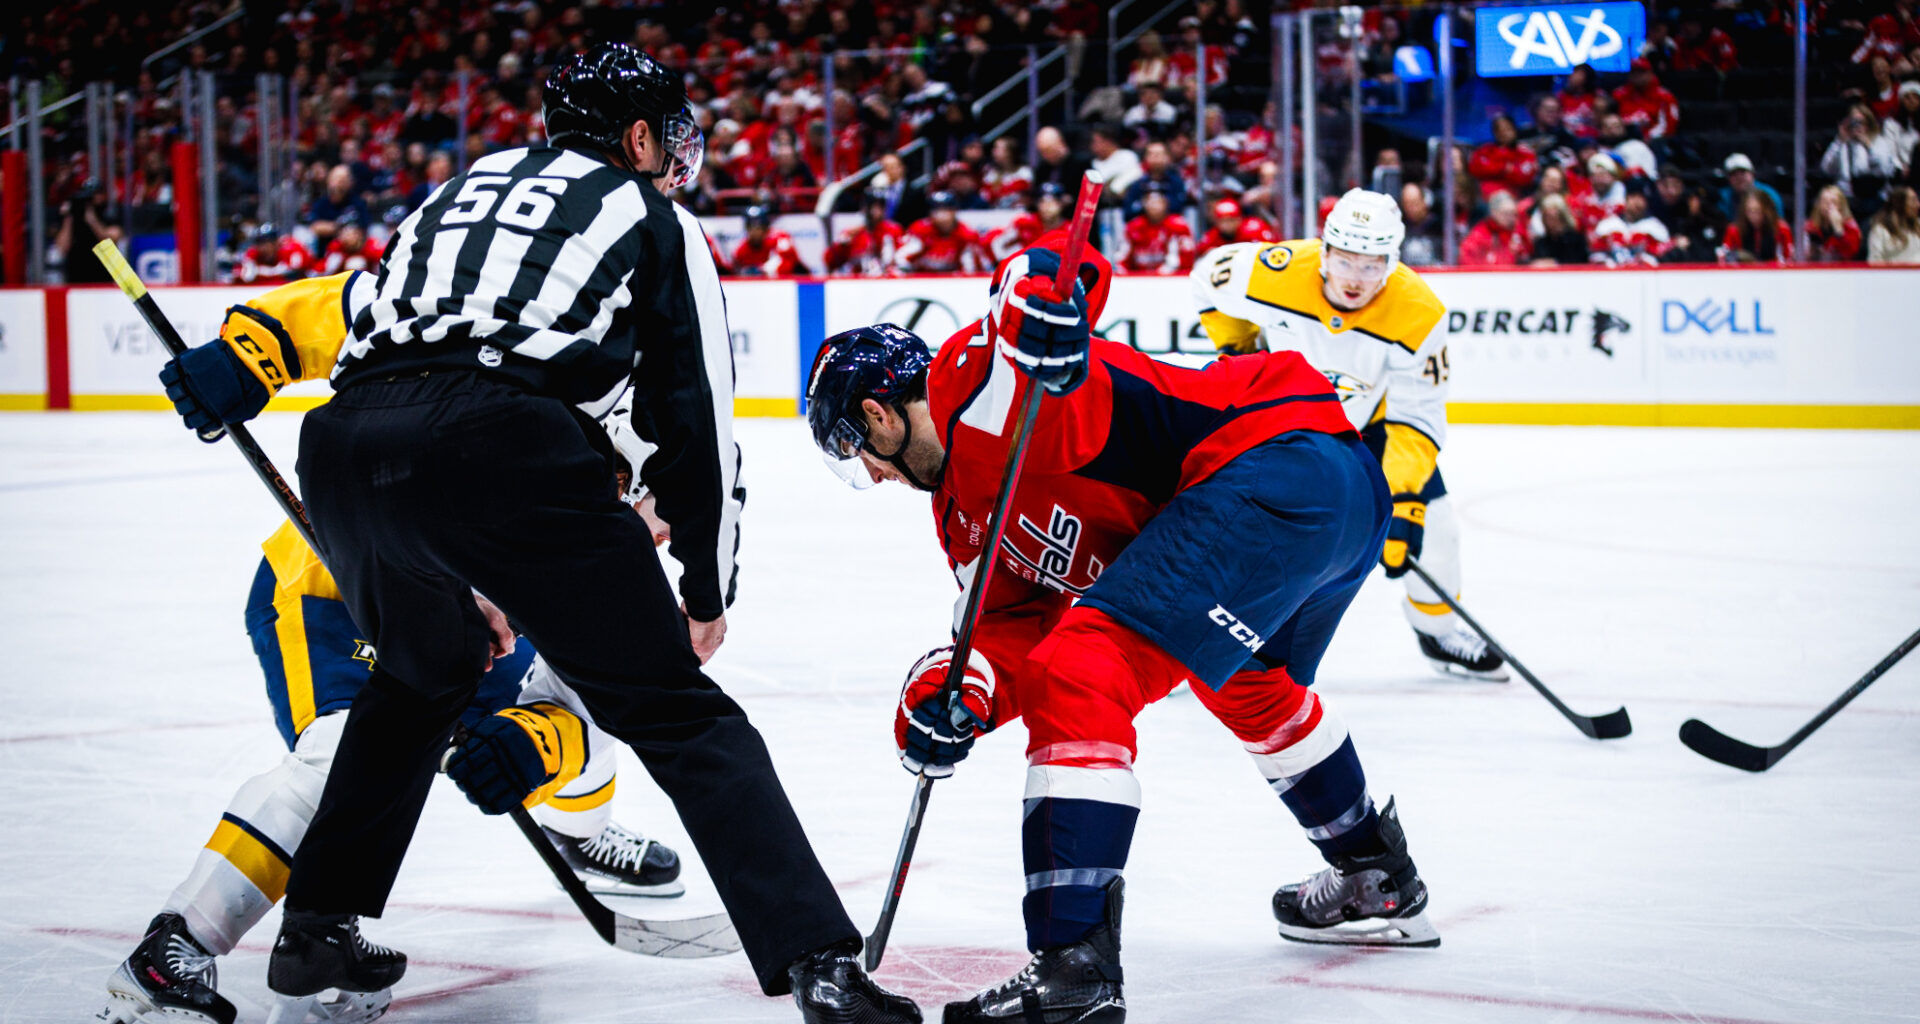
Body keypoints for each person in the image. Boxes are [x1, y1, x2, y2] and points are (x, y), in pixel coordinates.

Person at [152, 43, 917, 1023]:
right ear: (639, 138)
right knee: (684, 716)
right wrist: (704, 590)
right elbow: (701, 425)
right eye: (667, 141)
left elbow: (366, 309)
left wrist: (250, 355)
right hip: (498, 444)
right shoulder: (654, 219)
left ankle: (316, 929)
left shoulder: (465, 191)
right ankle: (820, 963)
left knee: (413, 688)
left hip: (344, 447)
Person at [808, 237, 1438, 1023]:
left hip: (1270, 461)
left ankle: (1073, 969)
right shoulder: (962, 516)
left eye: (854, 449)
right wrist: (954, 693)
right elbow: (1003, 635)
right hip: (1331, 499)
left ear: (877, 414)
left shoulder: (973, 379)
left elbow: (1043, 279)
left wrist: (1048, 297)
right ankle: (1373, 872)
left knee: (1080, 669)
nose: (869, 473)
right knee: (1250, 686)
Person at [99, 408, 684, 1024]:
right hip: (345, 585)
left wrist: (533, 740)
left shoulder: (639, 509)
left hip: (482, 596)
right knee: (342, 757)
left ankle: (583, 834)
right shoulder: (536, 413)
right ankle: (177, 948)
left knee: (581, 713)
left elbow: (583, 684)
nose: (661, 538)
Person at [1193, 189, 1510, 681]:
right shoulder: (1272, 271)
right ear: (1324, 251)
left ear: (1392, 261)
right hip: (1285, 422)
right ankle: (1192, 637)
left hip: (1371, 428)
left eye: (1371, 264)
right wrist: (1240, 348)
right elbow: (1205, 278)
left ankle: (1438, 630)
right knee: (1242, 529)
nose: (1354, 279)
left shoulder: (1419, 312)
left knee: (1439, 529)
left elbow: (1417, 414)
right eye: (1344, 260)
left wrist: (1404, 504)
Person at [1821, 102, 1903, 200]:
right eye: (1853, 122)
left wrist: (1868, 146)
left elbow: (1884, 170)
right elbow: (1826, 169)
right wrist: (1839, 141)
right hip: (1846, 196)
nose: (1856, 126)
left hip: (1873, 195)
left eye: (1860, 122)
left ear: (1867, 124)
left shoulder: (1878, 142)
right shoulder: (1841, 143)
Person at [827, 187, 911, 276]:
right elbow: (829, 262)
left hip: (888, 281)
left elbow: (904, 262)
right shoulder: (852, 233)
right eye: (872, 206)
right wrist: (842, 246)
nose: (876, 211)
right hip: (859, 283)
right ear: (864, 208)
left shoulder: (894, 230)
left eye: (880, 206)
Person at [900, 191, 987, 273]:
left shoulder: (967, 234)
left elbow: (973, 269)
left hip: (953, 282)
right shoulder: (920, 229)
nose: (940, 215)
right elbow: (901, 259)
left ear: (954, 211)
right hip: (920, 279)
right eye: (936, 210)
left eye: (945, 210)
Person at [1117, 183, 1196, 274]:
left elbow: (1186, 260)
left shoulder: (1178, 226)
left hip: (1171, 280)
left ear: (1166, 203)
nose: (1153, 205)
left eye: (1157, 201)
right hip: (1139, 280)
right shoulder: (1133, 227)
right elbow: (1122, 260)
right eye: (1149, 201)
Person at [54, 179, 121, 284]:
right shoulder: (73, 219)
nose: (93, 198)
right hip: (76, 279)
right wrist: (69, 217)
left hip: (102, 279)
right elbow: (62, 248)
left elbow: (111, 239)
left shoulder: (108, 216)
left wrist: (92, 219)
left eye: (97, 194)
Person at [1589, 183, 1671, 266]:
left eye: (1642, 198)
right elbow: (1596, 256)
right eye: (1633, 197)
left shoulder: (1656, 226)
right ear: (1626, 199)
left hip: (1645, 276)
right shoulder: (1607, 224)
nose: (1637, 202)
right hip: (1612, 276)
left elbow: (1664, 258)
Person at [986, 181, 1070, 262]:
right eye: (1042, 202)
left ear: (1061, 204)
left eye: (1052, 203)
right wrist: (1003, 264)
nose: (1046, 207)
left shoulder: (1071, 230)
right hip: (1027, 271)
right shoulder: (1024, 223)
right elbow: (997, 243)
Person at [1467, 114, 1538, 199]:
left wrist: (1493, 169)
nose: (1503, 133)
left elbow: (1524, 178)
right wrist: (1503, 168)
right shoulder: (1484, 151)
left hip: (1514, 198)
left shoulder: (1525, 153)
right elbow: (1475, 169)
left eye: (1507, 129)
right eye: (1499, 130)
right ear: (1495, 133)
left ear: (1515, 129)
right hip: (1485, 197)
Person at [729, 204, 811, 277]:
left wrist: (763, 270)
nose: (755, 232)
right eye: (751, 227)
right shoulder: (741, 251)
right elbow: (736, 274)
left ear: (765, 228)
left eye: (758, 227)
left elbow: (790, 265)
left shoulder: (780, 239)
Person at [1458, 190, 1532, 266]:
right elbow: (1467, 260)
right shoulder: (1480, 234)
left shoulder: (1519, 230)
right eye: (1506, 214)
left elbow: (1528, 255)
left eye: (1514, 214)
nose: (1511, 218)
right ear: (1494, 213)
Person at [1612, 59, 1680, 140]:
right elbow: (1610, 121)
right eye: (1634, 72)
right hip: (1621, 140)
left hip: (1654, 142)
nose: (1637, 75)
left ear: (1651, 74)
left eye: (1641, 72)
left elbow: (1670, 127)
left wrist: (1647, 137)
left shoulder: (1665, 97)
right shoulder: (1619, 94)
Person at [1722, 190, 1793, 264]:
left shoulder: (1781, 229)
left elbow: (1788, 260)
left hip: (1774, 272)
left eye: (1757, 211)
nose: (1753, 216)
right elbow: (1724, 258)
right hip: (1743, 272)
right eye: (1749, 211)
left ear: (1767, 210)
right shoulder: (1734, 230)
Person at [235, 223, 314, 285]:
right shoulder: (253, 253)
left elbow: (293, 275)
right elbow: (246, 277)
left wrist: (259, 271)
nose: (263, 248)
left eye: (267, 243)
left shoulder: (292, 249)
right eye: (260, 243)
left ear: (276, 243)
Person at [1716, 153, 1785, 224]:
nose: (1739, 177)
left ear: (1752, 173)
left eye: (1743, 172)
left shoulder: (1769, 194)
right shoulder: (1723, 197)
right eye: (1733, 174)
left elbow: (1778, 224)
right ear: (1728, 179)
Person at [1805, 184, 1864, 261]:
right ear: (1819, 205)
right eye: (1824, 201)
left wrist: (1839, 230)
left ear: (1841, 206)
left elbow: (1851, 253)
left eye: (1833, 202)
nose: (1828, 205)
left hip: (1843, 271)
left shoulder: (1851, 226)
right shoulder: (1810, 226)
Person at [1198, 197, 1277, 251]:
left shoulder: (1255, 229)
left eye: (1231, 220)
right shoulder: (1210, 239)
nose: (1227, 225)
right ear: (1217, 222)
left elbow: (1273, 250)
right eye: (1223, 221)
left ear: (1239, 219)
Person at [1531, 194, 1590, 265]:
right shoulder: (1541, 243)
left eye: (1553, 217)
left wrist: (1554, 263)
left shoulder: (1576, 240)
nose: (1550, 222)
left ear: (1562, 217)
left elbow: (1579, 262)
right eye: (1547, 217)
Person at [1868, 185, 1920, 263]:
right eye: (1913, 200)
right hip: (1893, 274)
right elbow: (1874, 260)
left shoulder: (1918, 225)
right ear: (1900, 203)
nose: (1918, 205)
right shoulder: (1881, 230)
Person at [1397, 183, 1444, 267]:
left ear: (1423, 201)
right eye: (1407, 203)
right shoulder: (1399, 227)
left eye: (1414, 203)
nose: (1411, 208)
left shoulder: (1438, 226)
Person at [319, 223, 384, 275]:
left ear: (360, 235)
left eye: (353, 234)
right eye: (346, 234)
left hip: (370, 282)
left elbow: (381, 270)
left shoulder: (371, 247)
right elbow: (326, 272)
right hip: (342, 283)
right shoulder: (337, 248)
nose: (350, 237)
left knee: (357, 262)